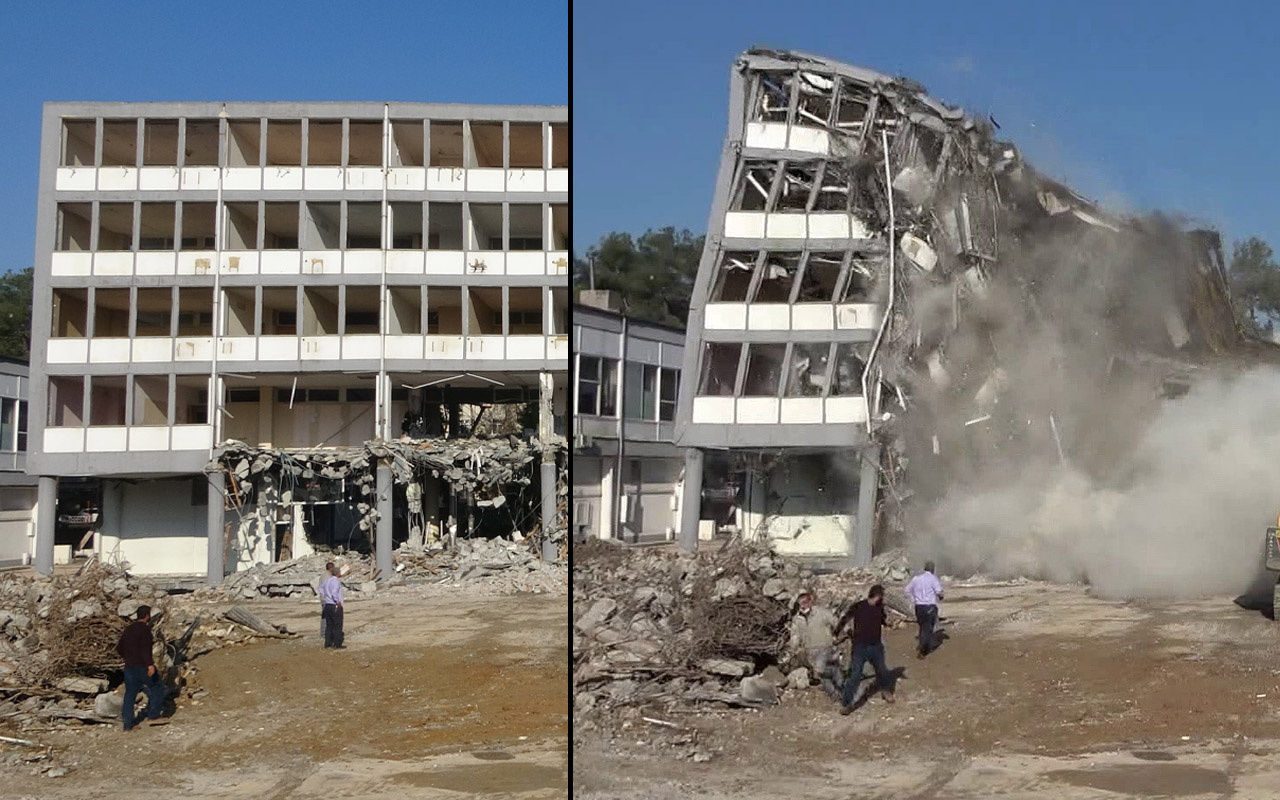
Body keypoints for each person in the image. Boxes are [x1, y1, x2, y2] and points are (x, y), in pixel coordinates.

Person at [838, 584, 894, 713]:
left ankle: (886, 692)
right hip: (860, 647)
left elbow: (883, 620)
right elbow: (845, 618)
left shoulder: (880, 608)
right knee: (855, 675)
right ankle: (846, 703)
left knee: (882, 671)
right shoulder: (859, 606)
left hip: (876, 646)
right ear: (878, 596)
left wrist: (887, 622)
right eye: (882, 597)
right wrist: (837, 632)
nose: (882, 599)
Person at [116, 605, 166, 731]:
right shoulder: (145, 630)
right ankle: (153, 716)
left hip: (129, 667)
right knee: (157, 687)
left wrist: (128, 658)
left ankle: (127, 725)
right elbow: (145, 649)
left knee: (130, 695)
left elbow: (119, 648)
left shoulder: (128, 629)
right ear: (147, 616)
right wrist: (149, 664)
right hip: (142, 666)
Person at [789, 592, 841, 700]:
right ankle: (837, 693)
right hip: (810, 650)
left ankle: (838, 692)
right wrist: (793, 647)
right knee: (829, 671)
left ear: (810, 601)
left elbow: (836, 623)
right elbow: (795, 635)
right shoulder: (797, 619)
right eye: (801, 603)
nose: (803, 605)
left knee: (820, 670)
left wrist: (837, 635)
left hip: (825, 646)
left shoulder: (822, 613)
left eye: (805, 602)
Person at [904, 560, 944, 658]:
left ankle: (922, 645)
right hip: (930, 607)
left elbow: (906, 590)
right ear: (933, 569)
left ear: (925, 569)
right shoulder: (933, 579)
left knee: (922, 627)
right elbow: (939, 592)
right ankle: (923, 650)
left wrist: (913, 599)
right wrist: (941, 596)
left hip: (919, 607)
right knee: (928, 629)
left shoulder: (916, 579)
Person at [318, 561, 345, 649]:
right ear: (338, 573)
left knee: (329, 625)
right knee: (337, 625)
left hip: (328, 604)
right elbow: (334, 593)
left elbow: (320, 589)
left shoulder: (328, 580)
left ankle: (327, 643)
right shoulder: (336, 581)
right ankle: (337, 644)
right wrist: (337, 602)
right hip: (334, 605)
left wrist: (326, 596)